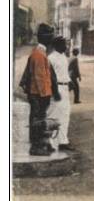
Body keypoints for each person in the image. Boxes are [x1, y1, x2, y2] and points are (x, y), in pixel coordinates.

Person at [19, 23, 61, 156]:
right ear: (45, 38)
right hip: (39, 94)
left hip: (39, 94)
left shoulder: (40, 52)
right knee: (37, 121)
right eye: (50, 36)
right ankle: (36, 147)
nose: (51, 39)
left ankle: (43, 144)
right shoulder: (39, 54)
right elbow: (39, 78)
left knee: (39, 119)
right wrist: (45, 95)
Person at [48, 36, 73, 151]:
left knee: (65, 115)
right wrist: (54, 91)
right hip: (56, 88)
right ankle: (51, 143)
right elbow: (49, 77)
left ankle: (63, 142)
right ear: (56, 45)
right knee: (54, 115)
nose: (66, 47)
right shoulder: (50, 58)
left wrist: (70, 81)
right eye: (64, 44)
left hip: (65, 87)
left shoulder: (64, 57)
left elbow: (64, 72)